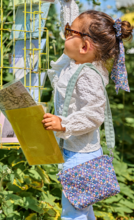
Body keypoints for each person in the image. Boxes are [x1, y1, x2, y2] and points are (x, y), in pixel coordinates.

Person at [42, 10, 133, 219]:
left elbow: (94, 114)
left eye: (68, 32)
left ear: (84, 47)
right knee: (81, 207)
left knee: (73, 212)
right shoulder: (74, 62)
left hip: (81, 156)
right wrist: (66, 5)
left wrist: (64, 123)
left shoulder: (87, 74)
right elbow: (75, 23)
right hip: (75, 150)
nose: (64, 34)